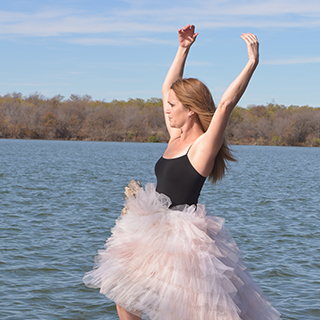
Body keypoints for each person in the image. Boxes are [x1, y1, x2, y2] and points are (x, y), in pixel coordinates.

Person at [83, 25, 281, 320]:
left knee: (189, 311)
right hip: (149, 229)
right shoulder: (174, 137)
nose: (167, 109)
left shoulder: (202, 147)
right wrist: (183, 49)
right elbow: (167, 89)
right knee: (124, 297)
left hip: (183, 239)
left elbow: (225, 104)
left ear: (190, 110)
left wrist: (251, 63)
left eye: (173, 106)